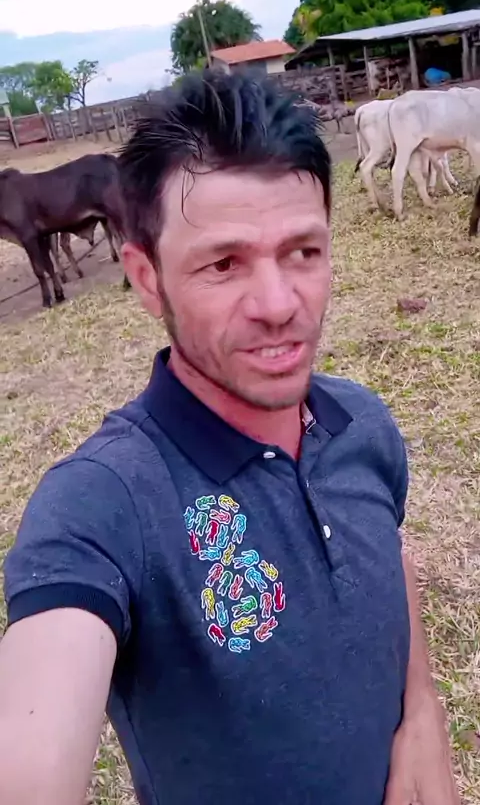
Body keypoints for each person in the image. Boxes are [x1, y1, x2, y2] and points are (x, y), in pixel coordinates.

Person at [0, 70, 459, 805]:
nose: (279, 304)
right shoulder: (101, 504)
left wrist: (423, 707)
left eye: (304, 251)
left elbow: (386, 553)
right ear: (147, 279)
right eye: (223, 263)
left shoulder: (362, 422)